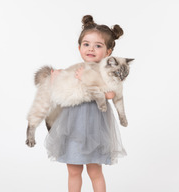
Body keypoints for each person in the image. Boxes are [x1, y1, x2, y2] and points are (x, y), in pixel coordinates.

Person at [45, 15, 127, 192]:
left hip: (94, 130)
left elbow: (111, 94)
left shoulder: (106, 72)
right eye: (86, 44)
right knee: (73, 170)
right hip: (72, 127)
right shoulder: (75, 69)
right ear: (79, 47)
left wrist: (88, 80)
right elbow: (60, 94)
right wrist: (55, 80)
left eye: (98, 45)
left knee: (95, 171)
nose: (91, 49)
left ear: (108, 52)